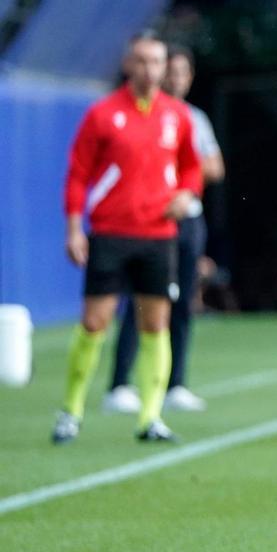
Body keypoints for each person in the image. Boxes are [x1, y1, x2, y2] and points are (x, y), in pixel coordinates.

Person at [52, 31, 202, 444]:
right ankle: (71, 410)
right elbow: (78, 173)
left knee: (156, 323)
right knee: (94, 321)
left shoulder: (176, 115)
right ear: (128, 65)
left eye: (156, 62)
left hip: (158, 236)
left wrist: (186, 194)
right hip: (111, 234)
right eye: (142, 61)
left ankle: (149, 417)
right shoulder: (103, 114)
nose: (150, 69)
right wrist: (73, 228)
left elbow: (192, 167)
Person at [104, 45, 224, 415]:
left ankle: (176, 384)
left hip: (186, 220)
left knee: (182, 302)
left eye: (181, 72)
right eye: (167, 69)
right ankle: (120, 384)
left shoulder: (193, 118)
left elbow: (213, 167)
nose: (173, 78)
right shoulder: (136, 115)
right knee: (140, 301)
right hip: (149, 223)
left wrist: (181, 181)